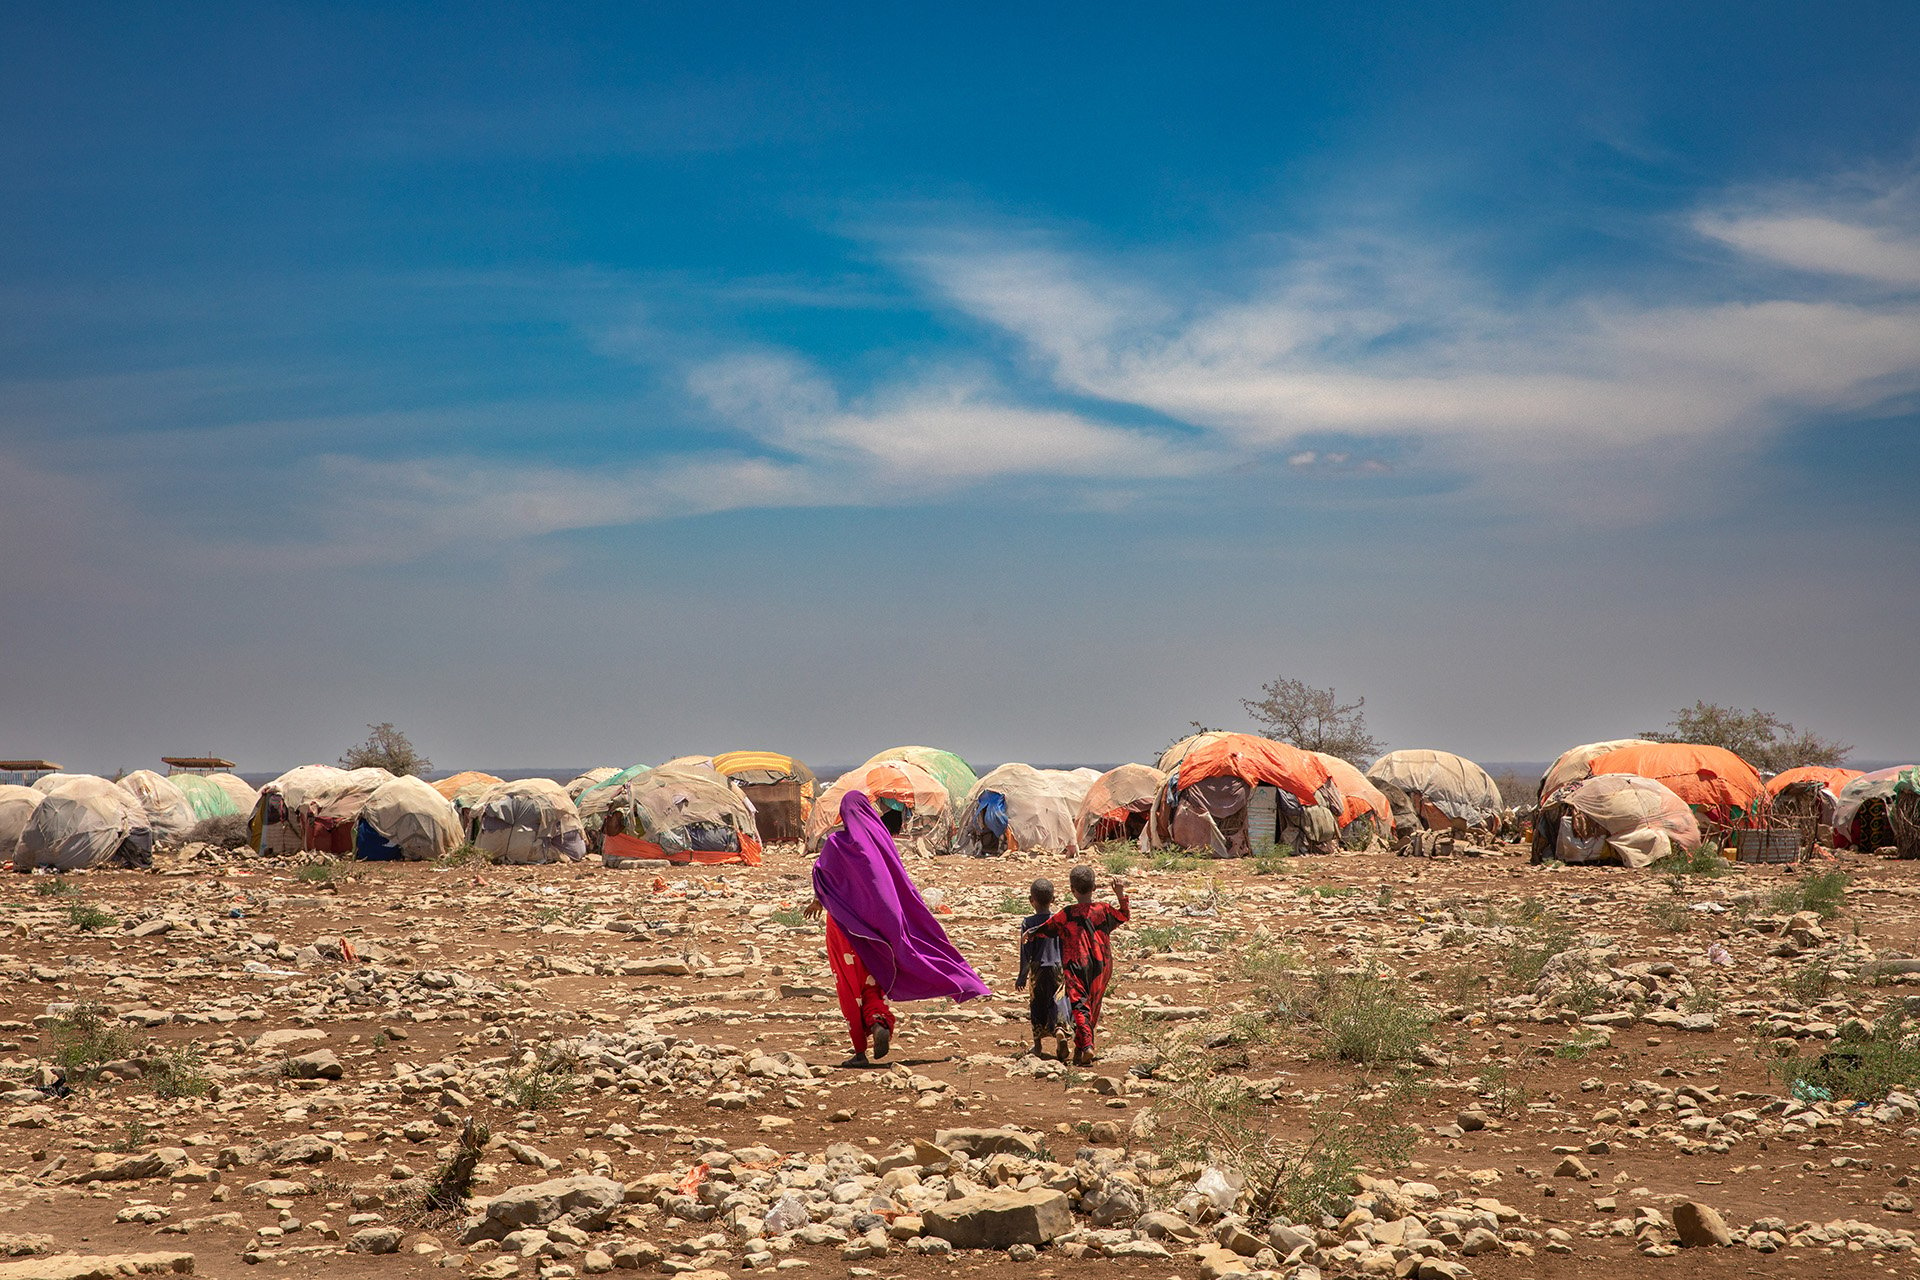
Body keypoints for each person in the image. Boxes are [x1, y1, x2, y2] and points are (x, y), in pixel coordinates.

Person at [805, 790, 989, 1068]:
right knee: (871, 984)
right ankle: (878, 1021)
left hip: (843, 929)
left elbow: (824, 878)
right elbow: (895, 884)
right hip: (877, 930)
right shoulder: (881, 841)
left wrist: (817, 901)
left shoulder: (835, 843)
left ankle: (859, 1050)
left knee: (849, 984)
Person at [1025, 864, 1129, 1066]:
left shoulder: (1068, 913)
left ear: (1072, 889)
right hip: (1102, 963)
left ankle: (1088, 1045)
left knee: (1080, 1004)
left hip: (1076, 964)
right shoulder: (1104, 909)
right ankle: (1081, 1050)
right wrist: (1120, 894)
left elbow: (1048, 928)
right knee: (1093, 1003)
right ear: (1095, 888)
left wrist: (1031, 934)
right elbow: (1124, 915)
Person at [1015, 877, 1067, 1061]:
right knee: (1059, 1001)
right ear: (1053, 900)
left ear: (1031, 900)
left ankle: (1038, 1046)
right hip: (1058, 967)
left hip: (1037, 968)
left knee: (1037, 1004)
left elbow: (1025, 951)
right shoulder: (1059, 920)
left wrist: (1022, 975)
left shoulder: (1027, 923)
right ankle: (1060, 1030)